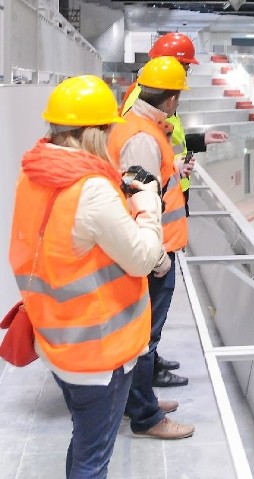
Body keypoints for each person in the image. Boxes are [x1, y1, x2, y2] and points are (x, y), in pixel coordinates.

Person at [8, 75, 166, 478]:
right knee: (93, 460)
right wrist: (148, 204)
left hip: (58, 340)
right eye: (109, 129)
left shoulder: (35, 174)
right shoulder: (91, 190)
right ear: (94, 132)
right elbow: (142, 258)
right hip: (100, 355)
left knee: (85, 442)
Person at [123, 32, 228, 385]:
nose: (185, 77)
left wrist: (193, 146)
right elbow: (140, 179)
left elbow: (167, 145)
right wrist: (155, 253)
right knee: (151, 312)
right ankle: (143, 390)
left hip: (168, 212)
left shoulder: (147, 101)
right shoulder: (140, 114)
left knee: (154, 314)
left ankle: (149, 366)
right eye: (184, 68)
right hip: (157, 232)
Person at [108, 56, 195, 439]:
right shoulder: (142, 137)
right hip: (152, 255)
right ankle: (145, 416)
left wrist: (173, 167)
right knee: (145, 337)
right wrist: (157, 257)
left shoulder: (140, 128)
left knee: (145, 335)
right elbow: (137, 201)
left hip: (154, 250)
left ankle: (139, 399)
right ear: (171, 100)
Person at [121, 32, 229, 217]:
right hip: (162, 199)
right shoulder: (145, 98)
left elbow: (166, 141)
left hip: (172, 187)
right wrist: (172, 167)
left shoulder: (153, 97)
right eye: (185, 66)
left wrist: (200, 140)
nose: (186, 73)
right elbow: (135, 164)